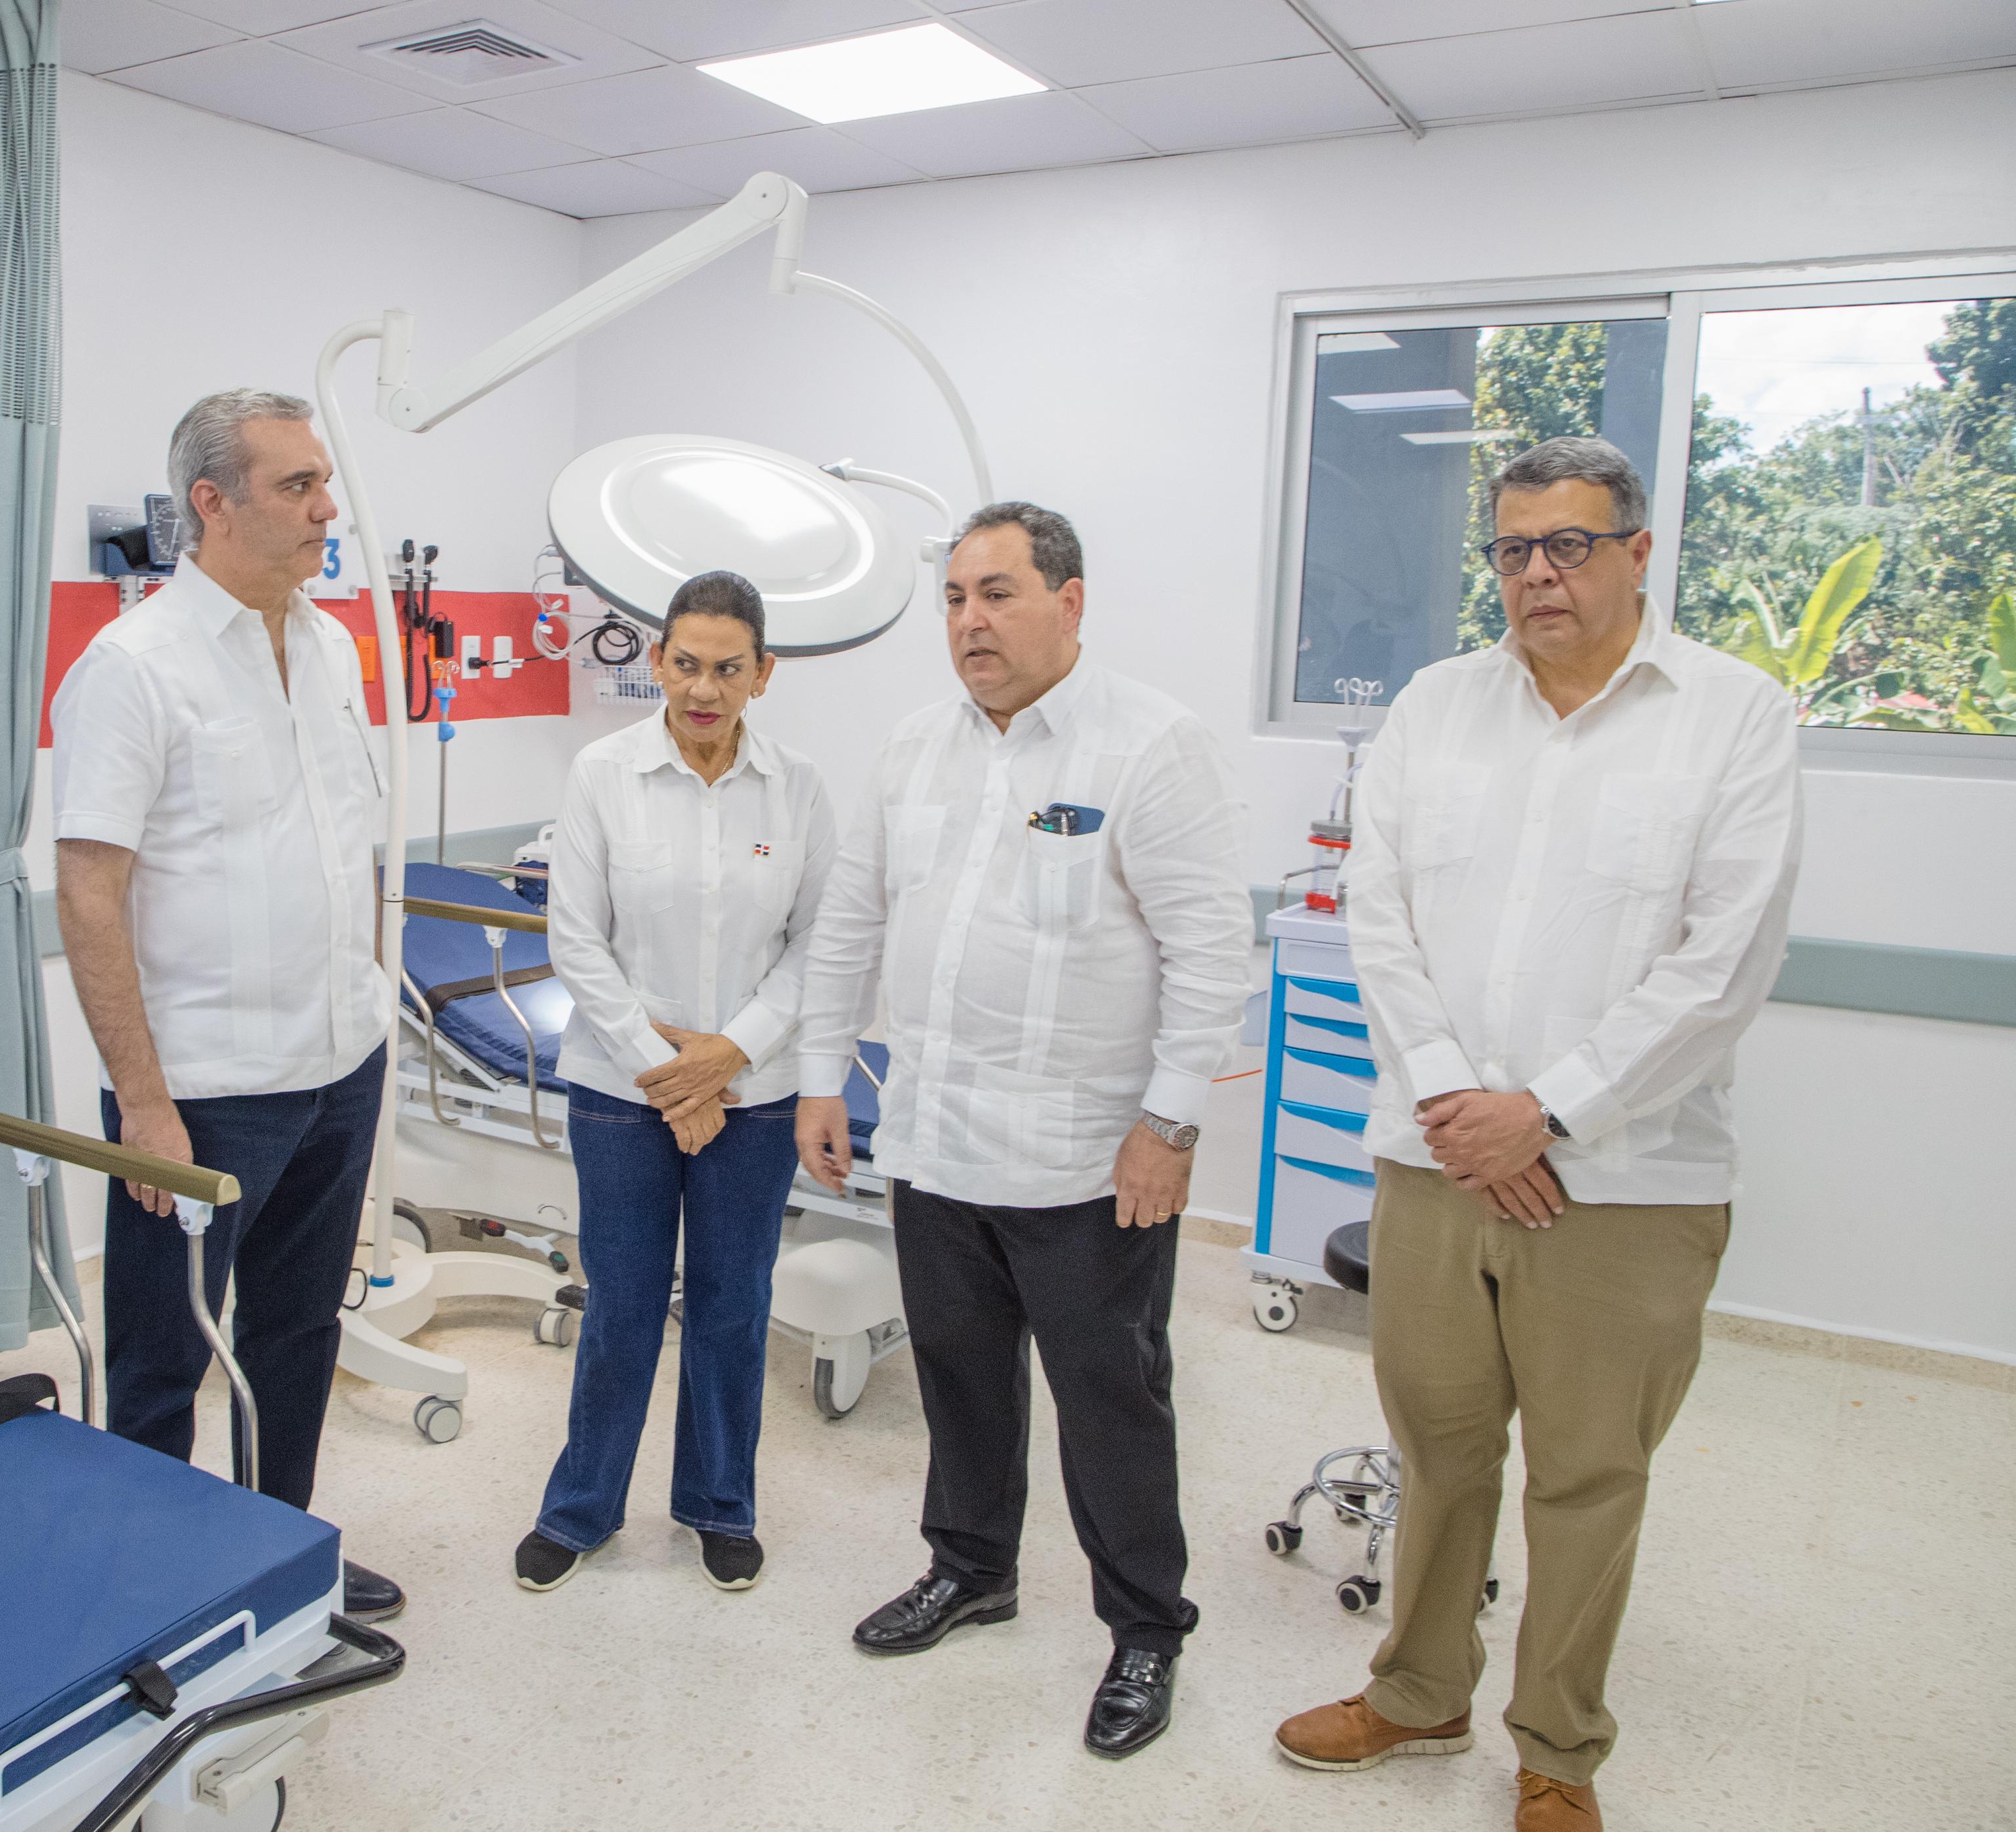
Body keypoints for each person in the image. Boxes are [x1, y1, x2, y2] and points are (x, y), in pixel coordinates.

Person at [1272, 436, 1801, 1832]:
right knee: (1440, 1448)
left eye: (1569, 544)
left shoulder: (1732, 716)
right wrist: (1465, 1106)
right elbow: (1379, 918)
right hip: (1437, 1161)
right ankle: (1416, 1691)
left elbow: (1724, 961)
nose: (1537, 574)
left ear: (1638, 551)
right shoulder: (1436, 705)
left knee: (1587, 1476)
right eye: (1512, 550)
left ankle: (1559, 1749)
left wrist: (1548, 1114)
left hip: (1622, 1183)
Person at [794, 502, 1250, 1759]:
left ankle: (1146, 1625)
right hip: (936, 1137)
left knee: (1112, 1399)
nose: (969, 621)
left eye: (997, 593)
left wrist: (1170, 1123)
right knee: (958, 1375)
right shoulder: (912, 748)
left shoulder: (1150, 745)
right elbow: (852, 918)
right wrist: (822, 1074)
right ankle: (971, 1566)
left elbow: (1213, 953)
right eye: (954, 598)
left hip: (1086, 1159)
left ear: (1071, 600)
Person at [50, 388, 402, 1621]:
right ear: (212, 502)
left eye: (323, 481)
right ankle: (152, 1597)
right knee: (165, 1358)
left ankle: (279, 1562)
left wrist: (367, 1010)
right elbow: (88, 890)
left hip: (338, 1061)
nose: (327, 507)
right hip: (202, 1091)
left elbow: (344, 845)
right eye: (298, 485)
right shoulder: (132, 668)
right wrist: (143, 1102)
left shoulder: (331, 645)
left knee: (298, 1334)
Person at [513, 571, 841, 1596]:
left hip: (754, 1093)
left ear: (764, 673)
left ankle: (719, 1504)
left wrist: (728, 1054)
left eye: (728, 668)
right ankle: (581, 1508)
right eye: (686, 663)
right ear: (656, 660)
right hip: (623, 1093)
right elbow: (577, 939)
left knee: (734, 1304)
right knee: (621, 1303)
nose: (704, 688)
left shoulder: (799, 789)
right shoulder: (603, 773)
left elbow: (819, 943)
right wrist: (671, 1077)